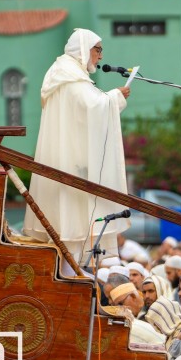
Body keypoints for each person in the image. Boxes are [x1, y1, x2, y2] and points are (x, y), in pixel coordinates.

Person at [22, 28, 131, 270]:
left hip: (68, 160)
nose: (100, 56)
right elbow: (93, 107)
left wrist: (111, 99)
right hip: (67, 165)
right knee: (68, 229)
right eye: (98, 50)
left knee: (71, 231)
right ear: (84, 49)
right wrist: (116, 96)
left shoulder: (65, 73)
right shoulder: (70, 75)